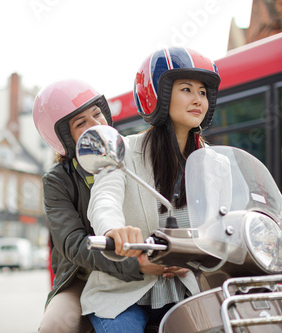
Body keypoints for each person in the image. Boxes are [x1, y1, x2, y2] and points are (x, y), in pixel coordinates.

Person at [81, 46, 222, 332]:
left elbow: (227, 218)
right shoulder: (124, 150)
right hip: (125, 293)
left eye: (203, 92)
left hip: (189, 288)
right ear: (159, 95)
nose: (198, 99)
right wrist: (113, 231)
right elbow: (104, 199)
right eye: (186, 89)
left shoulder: (214, 163)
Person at [33, 80, 180, 333]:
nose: (96, 125)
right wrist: (135, 265)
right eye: (81, 123)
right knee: (55, 325)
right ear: (63, 139)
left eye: (98, 114)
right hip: (85, 273)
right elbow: (73, 244)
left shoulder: (132, 153)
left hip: (146, 259)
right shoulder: (57, 180)